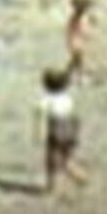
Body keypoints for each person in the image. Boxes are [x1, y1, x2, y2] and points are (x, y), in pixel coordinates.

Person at [38, 64, 88, 193]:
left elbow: (40, 114)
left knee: (51, 158)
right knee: (66, 158)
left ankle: (51, 184)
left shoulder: (47, 99)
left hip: (56, 129)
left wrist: (38, 133)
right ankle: (78, 174)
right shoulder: (67, 98)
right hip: (71, 127)